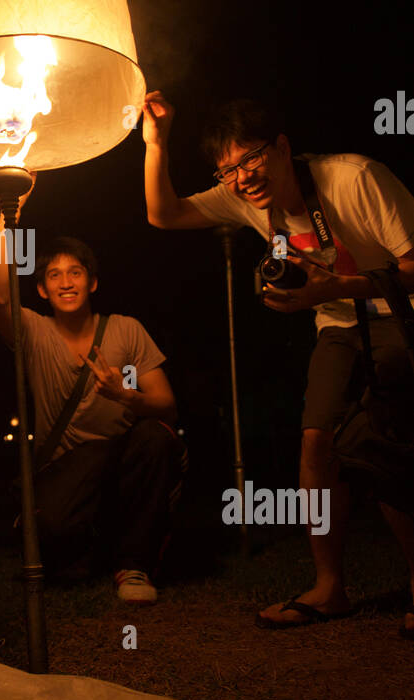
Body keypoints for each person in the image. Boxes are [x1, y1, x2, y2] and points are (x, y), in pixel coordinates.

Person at [142, 91, 414, 636]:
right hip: (337, 322)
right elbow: (162, 214)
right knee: (316, 441)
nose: (241, 178)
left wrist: (340, 286)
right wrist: (157, 142)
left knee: (378, 442)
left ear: (283, 147)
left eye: (250, 159)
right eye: (227, 170)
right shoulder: (242, 200)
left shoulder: (355, 178)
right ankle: (329, 587)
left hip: (399, 314)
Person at [0, 178, 183, 603]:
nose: (65, 282)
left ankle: (134, 566)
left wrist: (125, 394)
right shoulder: (34, 332)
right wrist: (7, 215)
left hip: (123, 456)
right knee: (55, 537)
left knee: (154, 436)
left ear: (92, 282)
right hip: (66, 467)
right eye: (54, 275)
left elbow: (166, 405)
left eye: (75, 272)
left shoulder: (126, 330)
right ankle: (93, 544)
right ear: (42, 290)